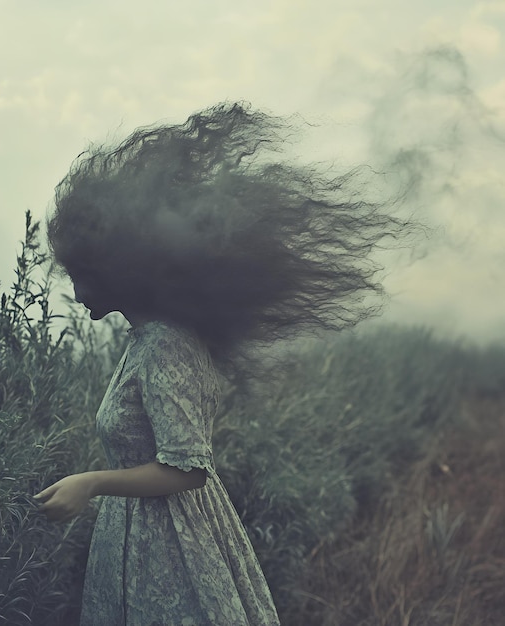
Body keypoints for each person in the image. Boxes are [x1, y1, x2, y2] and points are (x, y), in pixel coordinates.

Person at [34, 102, 407, 625]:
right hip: (136, 543)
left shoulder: (166, 342)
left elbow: (187, 470)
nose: (74, 290)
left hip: (172, 551)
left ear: (118, 267)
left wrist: (91, 482)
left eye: (82, 271)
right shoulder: (144, 339)